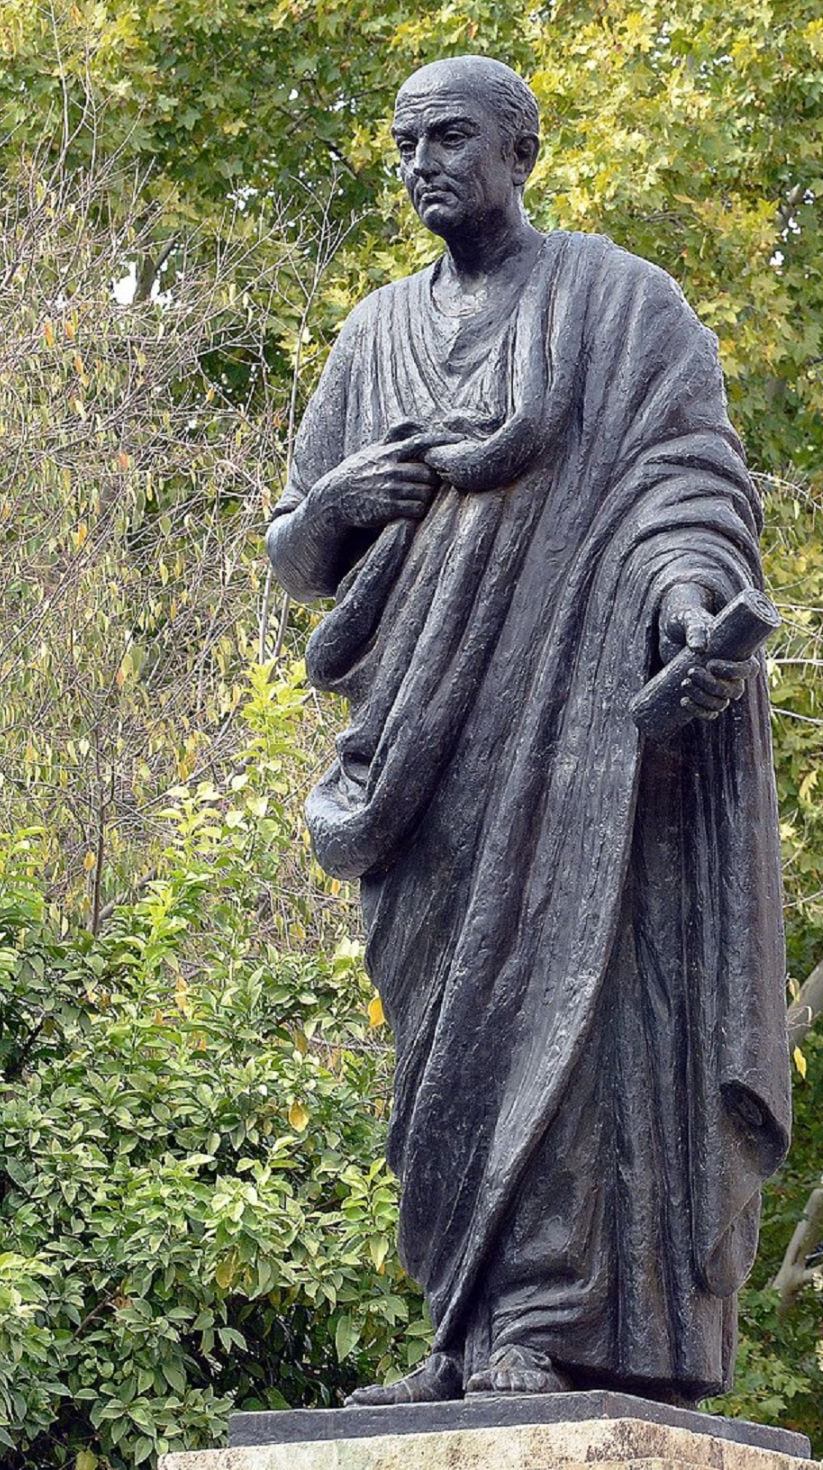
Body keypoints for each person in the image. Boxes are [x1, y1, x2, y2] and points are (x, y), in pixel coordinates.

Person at [266, 55, 789, 1407]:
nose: (423, 163)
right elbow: (299, 560)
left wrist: (688, 613)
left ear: (523, 150)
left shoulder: (624, 308)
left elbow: (685, 487)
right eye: (403, 144)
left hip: (575, 746)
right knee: (442, 1040)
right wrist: (338, 496)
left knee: (565, 1024)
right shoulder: (375, 332)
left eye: (450, 138)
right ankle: (456, 1320)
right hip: (425, 758)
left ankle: (537, 1325)